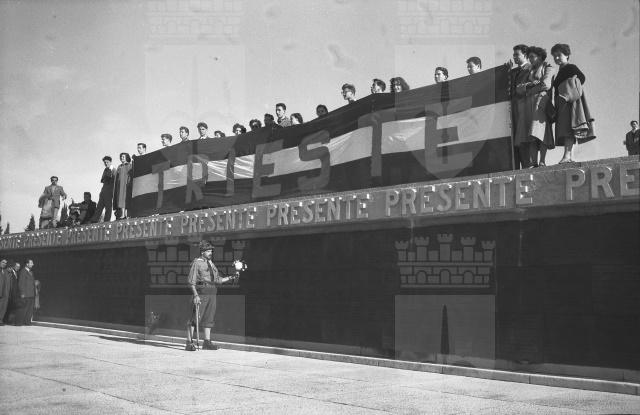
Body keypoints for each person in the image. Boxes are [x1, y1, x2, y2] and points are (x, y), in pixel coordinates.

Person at [185, 241, 237, 351]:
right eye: (208, 251)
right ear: (202, 252)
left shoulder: (211, 263)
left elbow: (217, 279)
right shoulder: (197, 263)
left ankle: (207, 342)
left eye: (211, 251)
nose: (210, 253)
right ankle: (189, 343)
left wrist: (230, 277)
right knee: (194, 318)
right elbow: (191, 281)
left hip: (212, 291)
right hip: (202, 291)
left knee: (209, 317)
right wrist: (195, 295)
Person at [551, 43, 595, 163]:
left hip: (571, 101)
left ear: (567, 55)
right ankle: (568, 156)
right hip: (562, 102)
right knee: (565, 128)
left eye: (559, 55)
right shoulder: (558, 73)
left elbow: (581, 78)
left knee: (569, 128)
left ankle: (567, 156)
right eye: (554, 56)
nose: (556, 58)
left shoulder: (571, 67)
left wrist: (570, 90)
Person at [514, 46, 555, 167]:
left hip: (541, 103)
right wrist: (530, 84)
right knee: (531, 134)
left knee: (540, 132)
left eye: (532, 57)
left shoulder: (548, 67)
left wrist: (528, 90)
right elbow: (518, 89)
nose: (530, 59)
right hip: (528, 105)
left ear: (540, 57)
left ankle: (542, 161)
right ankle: (534, 162)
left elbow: (545, 85)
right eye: (529, 57)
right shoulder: (529, 70)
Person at [508, 44, 531, 169]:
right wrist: (506, 71)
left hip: (525, 106)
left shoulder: (531, 68)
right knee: (514, 137)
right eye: (514, 55)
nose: (514, 57)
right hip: (513, 108)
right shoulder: (512, 72)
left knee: (524, 136)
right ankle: (515, 167)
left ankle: (528, 165)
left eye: (517, 54)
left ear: (525, 55)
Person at [92, 156, 116, 222]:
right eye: (105, 162)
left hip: (109, 191)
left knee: (108, 207)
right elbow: (103, 180)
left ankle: (107, 221)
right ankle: (94, 220)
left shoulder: (114, 170)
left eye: (107, 162)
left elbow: (115, 180)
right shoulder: (105, 170)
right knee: (99, 206)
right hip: (103, 191)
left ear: (110, 162)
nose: (106, 163)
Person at [15, 259, 35, 326]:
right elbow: (21, 283)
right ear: (27, 264)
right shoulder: (23, 271)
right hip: (25, 294)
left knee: (29, 309)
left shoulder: (31, 272)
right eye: (31, 263)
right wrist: (22, 293)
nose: (32, 264)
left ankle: (27, 322)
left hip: (31, 294)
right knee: (23, 309)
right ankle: (19, 322)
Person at [113, 153, 132, 220]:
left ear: (127, 157)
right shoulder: (119, 166)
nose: (122, 158)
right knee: (120, 199)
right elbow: (117, 176)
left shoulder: (129, 165)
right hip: (120, 185)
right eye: (121, 157)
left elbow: (130, 174)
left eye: (123, 157)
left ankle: (127, 214)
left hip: (126, 184)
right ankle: (123, 214)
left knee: (126, 198)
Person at [0, 259, 9, 325]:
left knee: (3, 307)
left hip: (4, 293)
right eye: (3, 262)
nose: (4, 264)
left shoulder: (5, 271)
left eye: (5, 263)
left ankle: (0, 320)